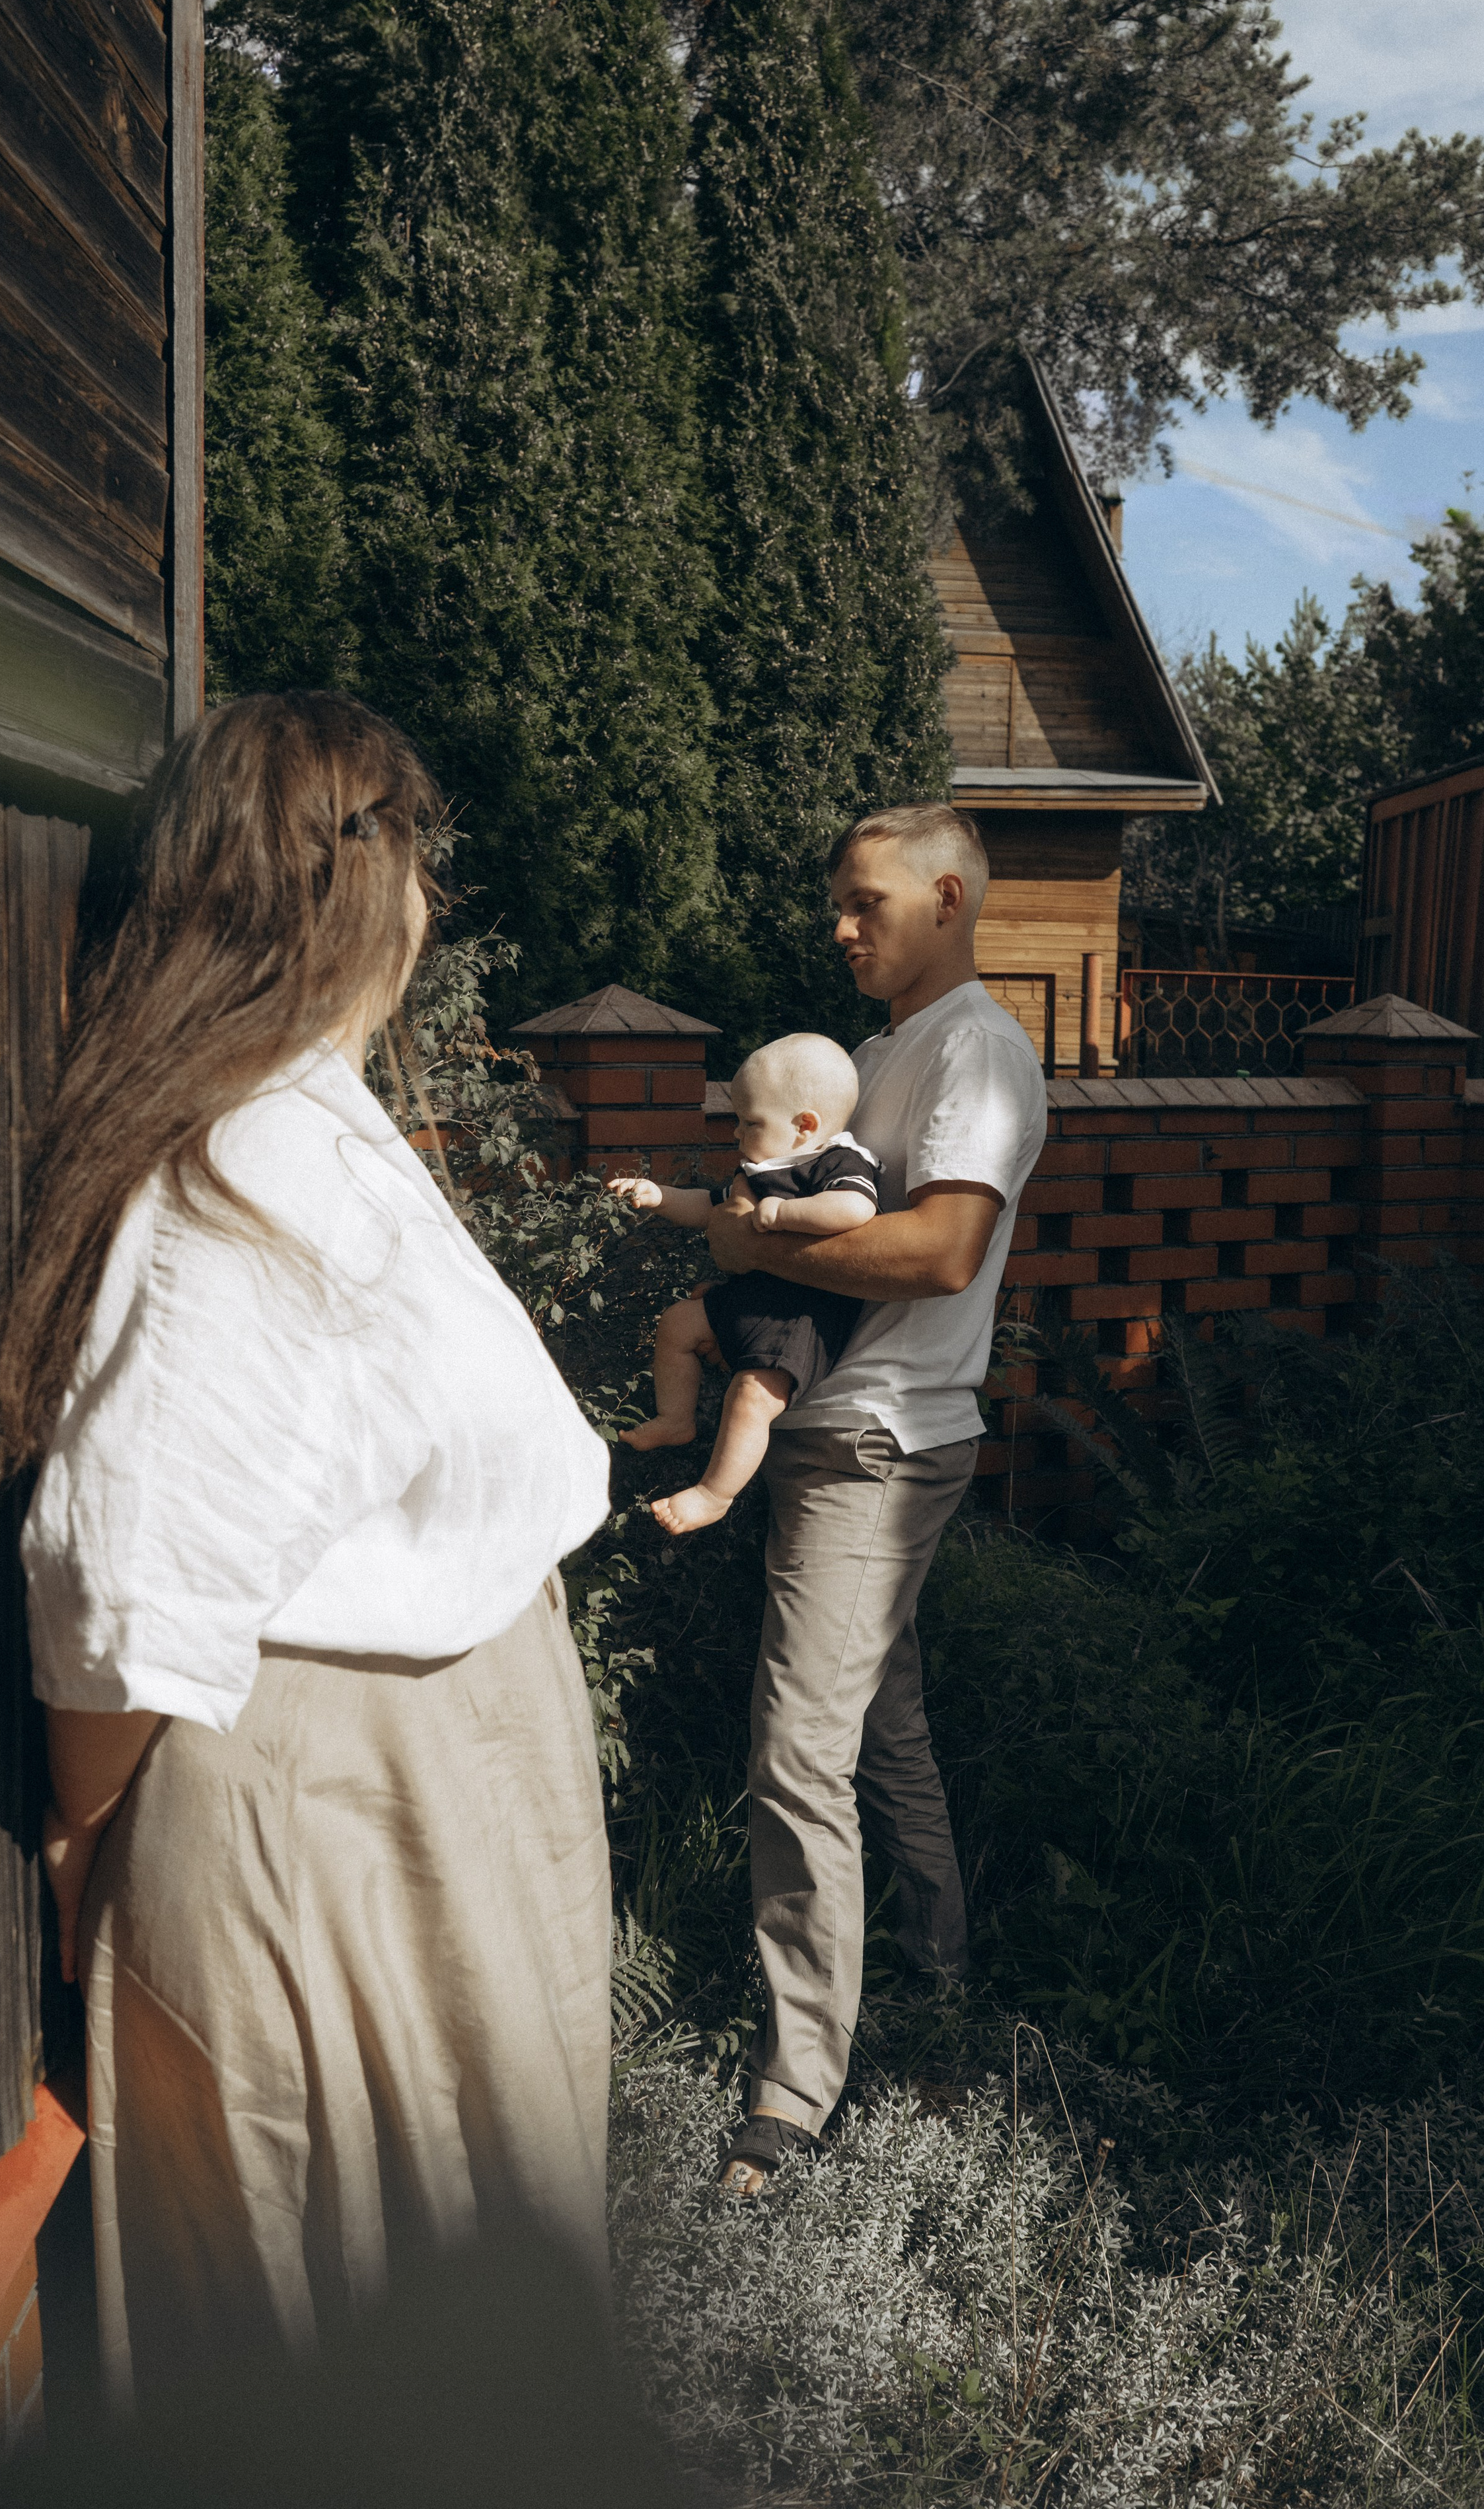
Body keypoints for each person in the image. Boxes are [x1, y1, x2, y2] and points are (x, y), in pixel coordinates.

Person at [0, 693, 614, 2403]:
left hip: (429, 1806)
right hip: (339, 1832)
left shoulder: (299, 1126)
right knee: (347, 2356)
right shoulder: (236, 1175)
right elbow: (129, 1568)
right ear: (377, 882)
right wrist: (79, 1838)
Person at [703, 804, 1047, 2195]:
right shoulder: (866, 1058)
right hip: (838, 1430)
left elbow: (943, 1250)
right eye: (835, 905)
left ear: (947, 895)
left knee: (796, 1748)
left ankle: (792, 2095)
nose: (838, 927)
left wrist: (749, 1235)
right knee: (877, 1724)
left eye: (865, 904)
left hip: (880, 1447)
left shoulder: (976, 1053)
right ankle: (934, 1970)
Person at [608, 1033, 879, 1535]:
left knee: (752, 1397)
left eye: (750, 1122)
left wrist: (788, 1212)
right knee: (678, 1324)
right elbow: (709, 1206)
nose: (737, 1133)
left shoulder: (837, 1164)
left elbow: (857, 1209)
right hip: (754, 1295)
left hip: (799, 1318)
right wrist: (660, 1195)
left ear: (805, 1126)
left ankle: (715, 1493)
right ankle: (676, 1419)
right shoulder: (764, 1167)